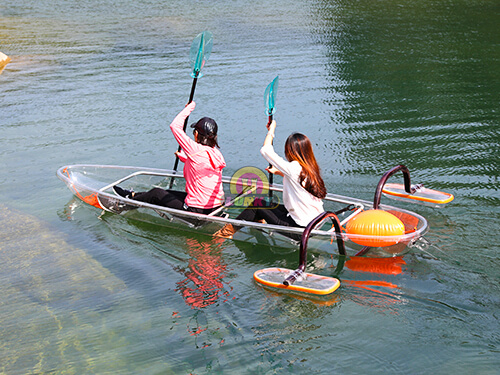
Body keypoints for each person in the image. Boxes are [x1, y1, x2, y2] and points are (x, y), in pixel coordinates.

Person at [214, 120, 326, 238]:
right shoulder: (311, 168)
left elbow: (266, 150)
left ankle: (224, 234)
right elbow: (299, 182)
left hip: (300, 230)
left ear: (290, 151)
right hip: (315, 223)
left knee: (256, 204)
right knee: (267, 204)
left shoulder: (294, 167)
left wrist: (271, 130)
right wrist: (279, 172)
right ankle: (257, 224)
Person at [113, 101, 226, 215]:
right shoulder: (216, 153)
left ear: (196, 134)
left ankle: (123, 205)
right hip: (216, 208)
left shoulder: (195, 149)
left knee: (156, 193)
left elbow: (175, 126)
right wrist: (185, 159)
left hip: (197, 210)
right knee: (167, 193)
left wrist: (189, 108)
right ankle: (132, 195)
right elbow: (202, 166)